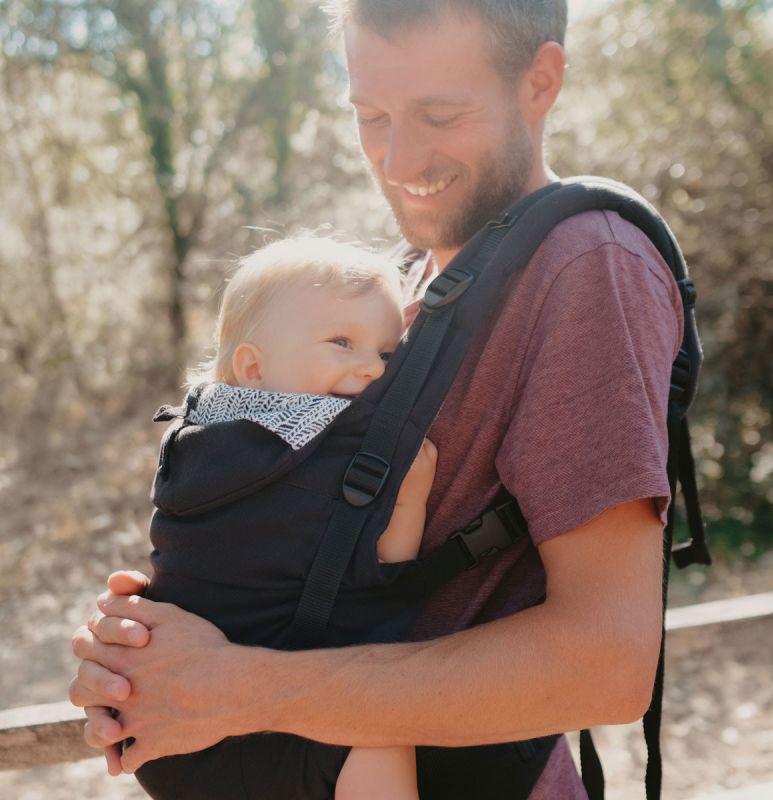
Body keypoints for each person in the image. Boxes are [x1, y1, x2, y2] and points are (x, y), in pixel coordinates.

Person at [71, 2, 679, 797]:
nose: (398, 159)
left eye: (439, 114)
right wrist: (145, 657)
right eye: (371, 116)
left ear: (541, 81)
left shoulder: (583, 267)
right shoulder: (399, 292)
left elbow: (606, 664)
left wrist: (229, 689)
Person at [138, 235, 437, 800]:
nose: (373, 368)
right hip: (298, 716)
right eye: (342, 342)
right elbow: (387, 576)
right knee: (384, 726)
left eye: (387, 353)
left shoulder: (192, 441)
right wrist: (411, 495)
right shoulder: (329, 444)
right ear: (252, 366)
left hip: (168, 724)